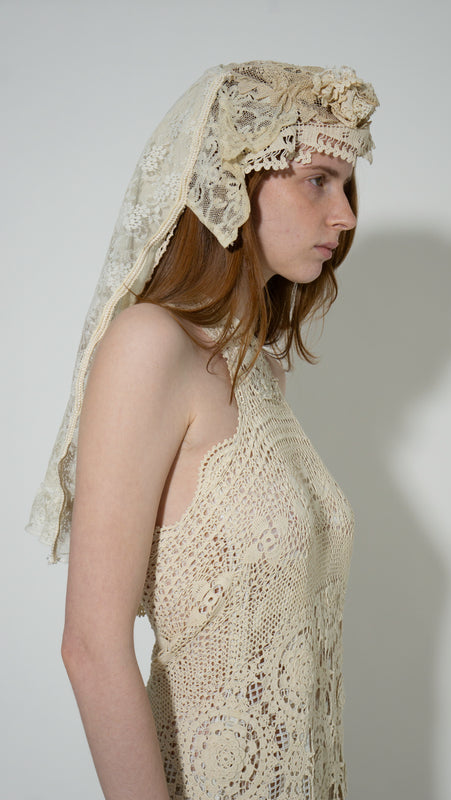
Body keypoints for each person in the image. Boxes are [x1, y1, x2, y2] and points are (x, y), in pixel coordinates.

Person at [27, 61, 378, 800]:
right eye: (317, 180)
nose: (344, 215)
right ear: (233, 184)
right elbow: (90, 646)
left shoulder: (260, 371)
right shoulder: (149, 344)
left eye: (347, 187)